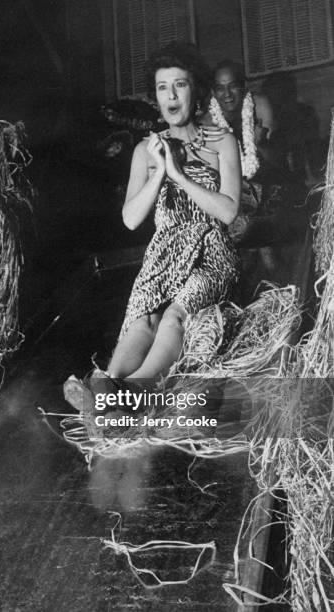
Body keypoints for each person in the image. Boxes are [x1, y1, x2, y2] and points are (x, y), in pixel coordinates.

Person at [103, 43, 241, 383]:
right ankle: (106, 382)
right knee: (143, 319)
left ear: (196, 91)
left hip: (211, 251)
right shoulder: (145, 151)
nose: (171, 95)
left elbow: (228, 212)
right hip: (164, 253)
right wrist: (160, 172)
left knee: (172, 317)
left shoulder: (222, 142)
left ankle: (134, 390)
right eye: (163, 87)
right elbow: (131, 219)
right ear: (157, 97)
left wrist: (179, 175)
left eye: (180, 84)